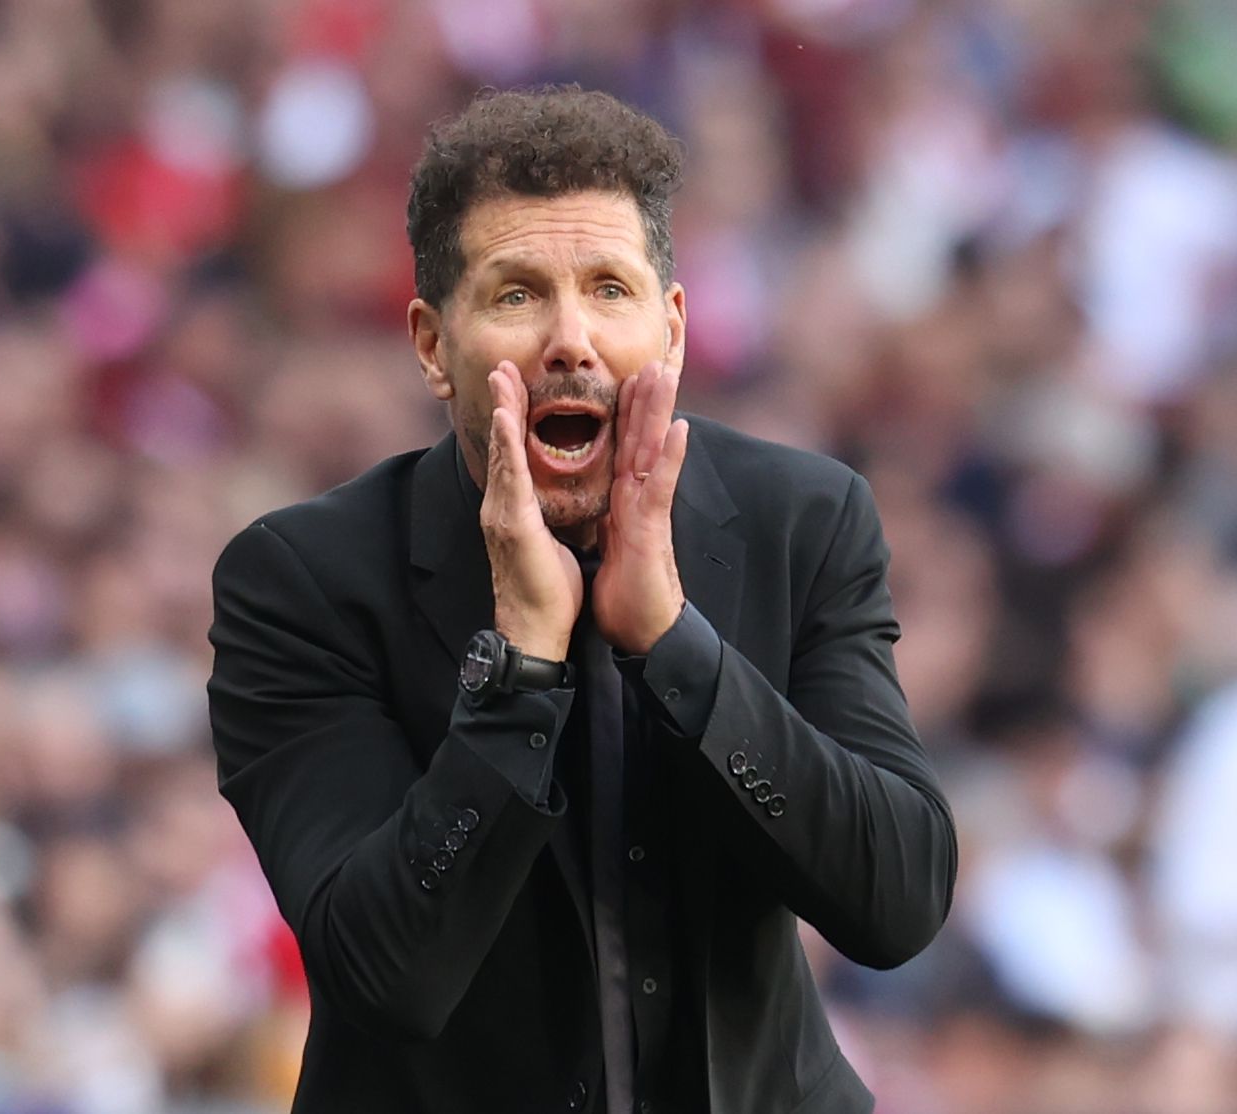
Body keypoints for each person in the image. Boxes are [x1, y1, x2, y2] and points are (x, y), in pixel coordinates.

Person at [207, 87, 956, 1114]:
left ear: (672, 328)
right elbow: (385, 974)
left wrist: (674, 644)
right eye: (515, 295)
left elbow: (895, 900)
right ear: (432, 344)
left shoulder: (804, 519)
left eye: (609, 289)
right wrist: (520, 666)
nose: (570, 340)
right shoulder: (302, 581)